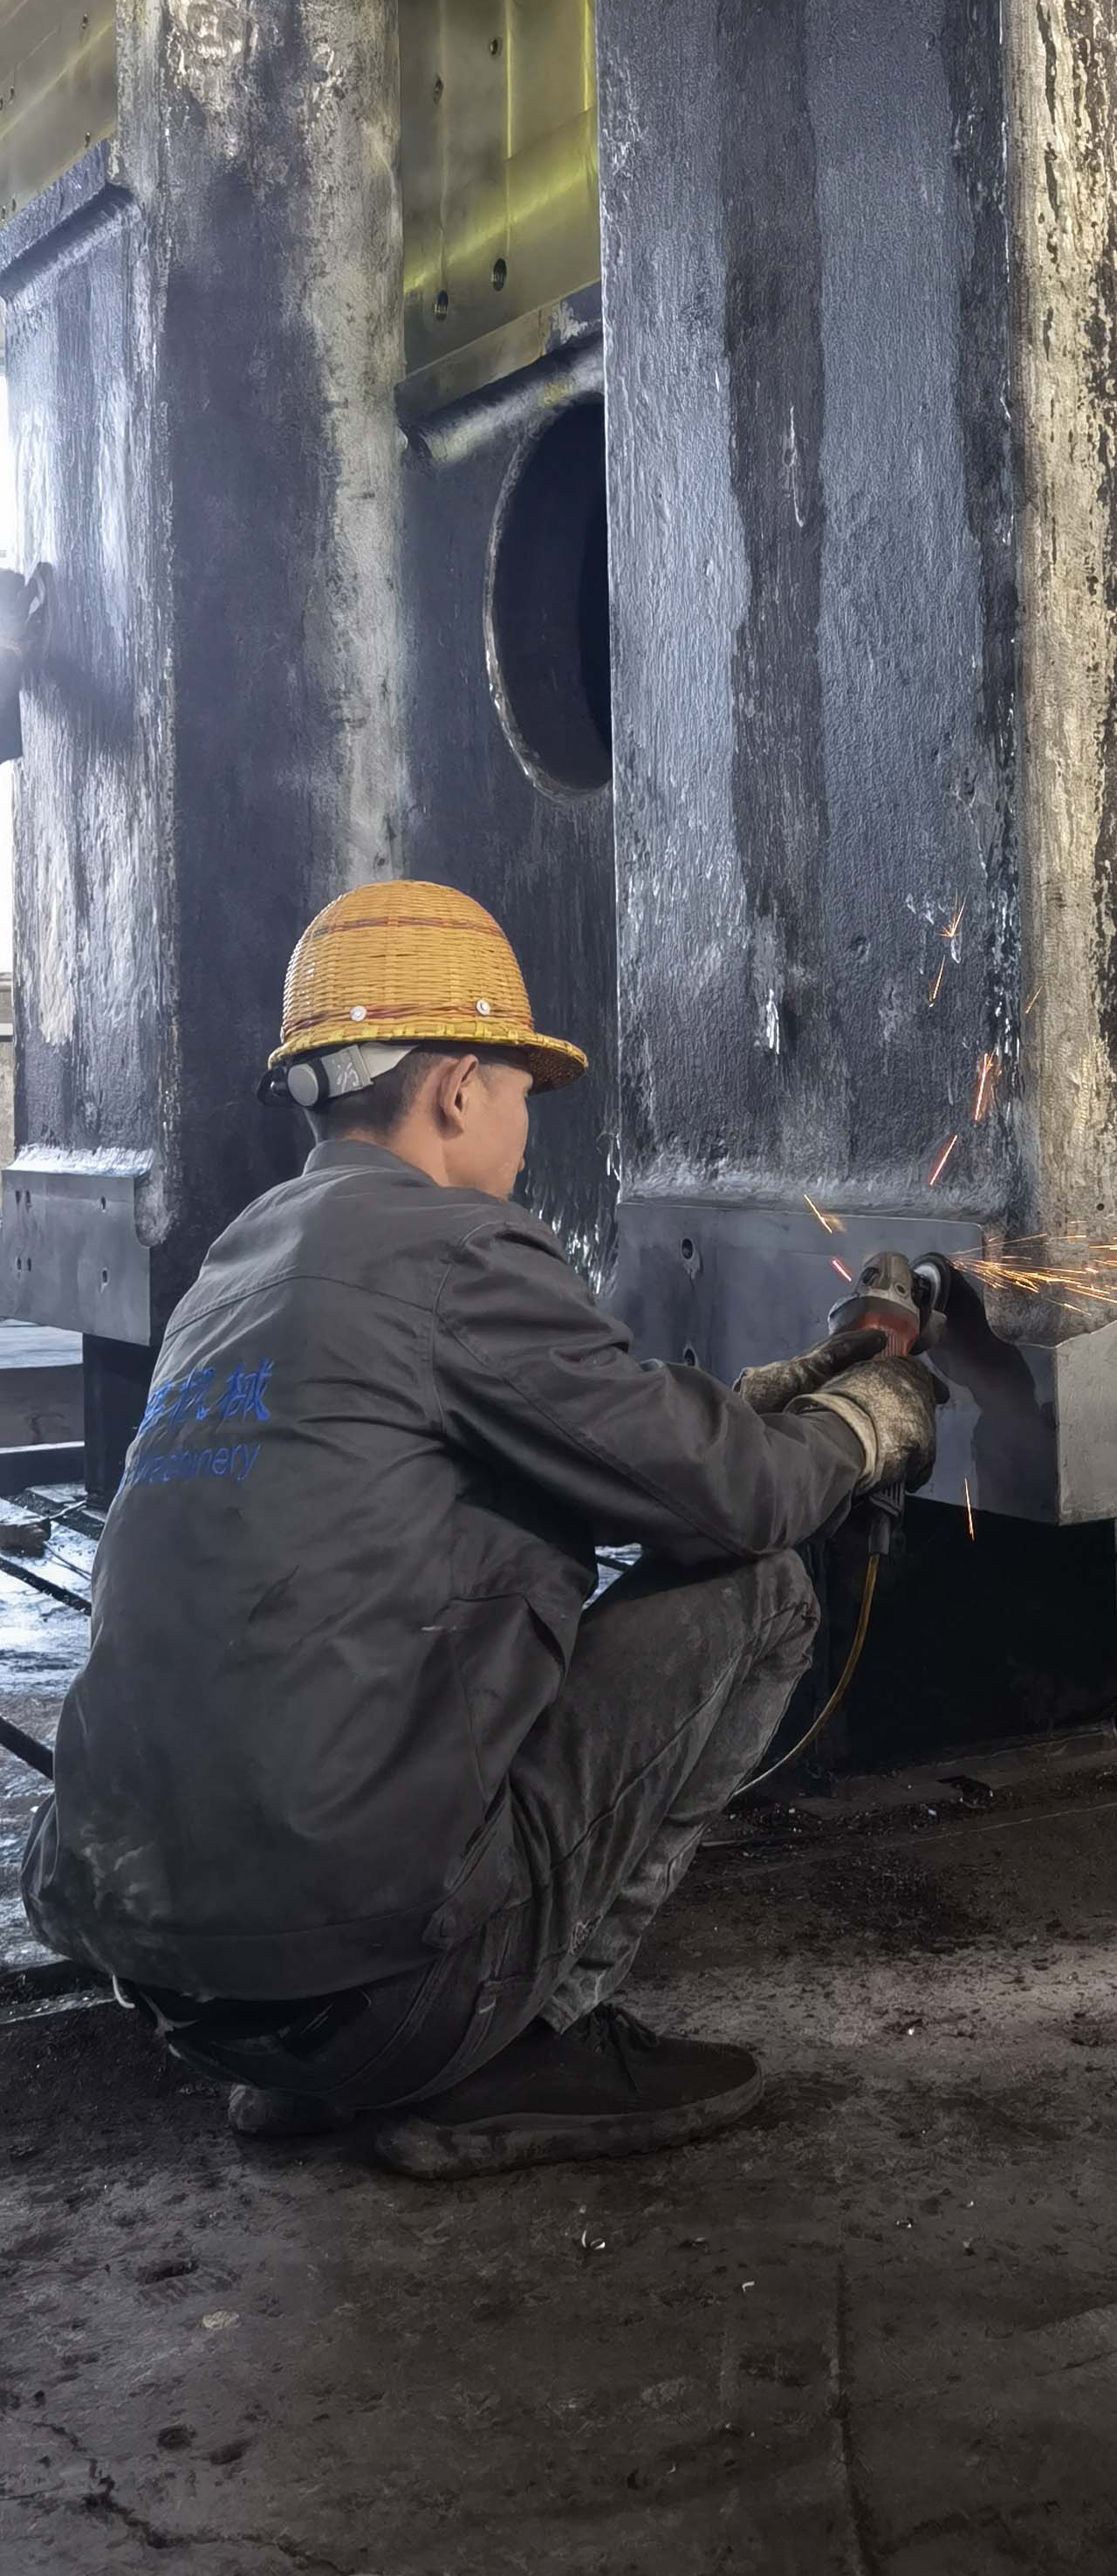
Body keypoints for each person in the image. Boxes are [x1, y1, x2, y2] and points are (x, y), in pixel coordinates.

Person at [21, 882, 941, 2180]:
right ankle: (524, 2046)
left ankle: (317, 2072)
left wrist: (748, 1408)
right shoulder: (459, 1249)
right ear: (458, 1089)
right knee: (763, 1588)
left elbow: (528, 1443)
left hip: (186, 1996)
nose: (523, 1131)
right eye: (521, 1093)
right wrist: (863, 1424)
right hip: (377, 2000)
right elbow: (740, 1504)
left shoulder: (243, 1265)